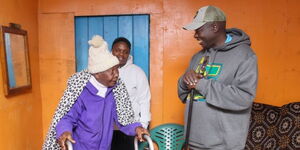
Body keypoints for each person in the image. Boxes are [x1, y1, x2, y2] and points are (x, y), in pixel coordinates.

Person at [42, 35, 149, 150]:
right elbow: (67, 117)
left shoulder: (114, 91)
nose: (117, 74)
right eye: (112, 71)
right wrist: (65, 131)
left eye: (117, 69)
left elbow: (124, 118)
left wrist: (137, 128)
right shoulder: (82, 92)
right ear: (97, 73)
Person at [177, 5, 258, 150]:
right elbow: (185, 95)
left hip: (223, 146)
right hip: (193, 142)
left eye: (199, 29)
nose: (195, 35)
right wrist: (184, 82)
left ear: (214, 27)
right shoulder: (197, 57)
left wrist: (201, 84)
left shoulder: (245, 55)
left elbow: (244, 98)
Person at [110, 37, 151, 150]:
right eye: (117, 50)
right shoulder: (104, 72)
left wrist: (142, 126)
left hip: (130, 128)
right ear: (111, 50)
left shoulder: (137, 72)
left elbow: (144, 100)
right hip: (107, 129)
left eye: (125, 52)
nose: (121, 54)